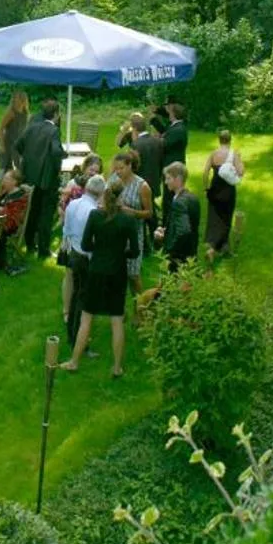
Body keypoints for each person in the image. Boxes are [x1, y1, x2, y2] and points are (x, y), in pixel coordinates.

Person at [65, 191, 138, 377]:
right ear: (121, 198)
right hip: (117, 272)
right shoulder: (128, 220)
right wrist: (121, 253)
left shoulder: (95, 216)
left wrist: (101, 249)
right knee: (117, 320)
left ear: (105, 198)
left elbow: (86, 244)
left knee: (86, 318)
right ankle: (117, 367)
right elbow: (135, 251)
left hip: (96, 270)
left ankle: (74, 362)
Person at [17, 98, 64, 259]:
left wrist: (30, 160)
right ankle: (43, 250)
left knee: (33, 211)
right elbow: (56, 152)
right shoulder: (53, 131)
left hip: (31, 177)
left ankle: (30, 244)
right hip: (47, 180)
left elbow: (19, 145)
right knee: (46, 214)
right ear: (56, 115)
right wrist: (58, 165)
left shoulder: (32, 127)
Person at [61, 176, 104, 344]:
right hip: (85, 258)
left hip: (73, 253)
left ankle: (72, 331)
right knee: (83, 299)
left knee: (75, 295)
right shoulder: (94, 212)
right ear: (100, 193)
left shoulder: (74, 203)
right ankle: (78, 337)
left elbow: (67, 229)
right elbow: (93, 241)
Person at [111, 150, 155, 294]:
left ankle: (140, 309)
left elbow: (149, 213)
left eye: (121, 168)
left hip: (134, 235)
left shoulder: (142, 186)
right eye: (115, 168)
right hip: (116, 233)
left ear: (130, 166)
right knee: (116, 273)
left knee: (133, 275)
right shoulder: (113, 180)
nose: (118, 171)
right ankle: (118, 311)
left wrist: (133, 212)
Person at [205, 129, 244, 260]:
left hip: (215, 188)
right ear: (230, 140)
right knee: (226, 218)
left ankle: (216, 246)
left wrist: (206, 188)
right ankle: (219, 247)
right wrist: (240, 159)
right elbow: (241, 172)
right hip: (228, 190)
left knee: (214, 218)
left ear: (219, 139)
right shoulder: (233, 154)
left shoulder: (213, 154)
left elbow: (205, 172)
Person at [156, 162, 201, 274]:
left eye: (168, 178)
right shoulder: (193, 198)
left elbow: (184, 231)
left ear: (178, 179)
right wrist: (168, 231)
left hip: (179, 257)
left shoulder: (179, 203)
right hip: (191, 252)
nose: (165, 182)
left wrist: (168, 245)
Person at [0, 168, 31, 273]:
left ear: (14, 182)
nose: (3, 180)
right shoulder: (6, 192)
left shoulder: (19, 197)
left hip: (10, 225)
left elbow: (14, 217)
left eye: (6, 178)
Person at [0, 89, 29, 171]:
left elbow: (23, 129)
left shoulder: (25, 112)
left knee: (20, 166)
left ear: (23, 100)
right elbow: (0, 129)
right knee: (6, 168)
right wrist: (1, 146)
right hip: (8, 143)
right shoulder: (11, 113)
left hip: (18, 143)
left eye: (17, 99)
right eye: (14, 99)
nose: (14, 101)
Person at [161, 99, 189, 171]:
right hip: (172, 164)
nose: (169, 114)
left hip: (173, 166)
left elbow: (164, 144)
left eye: (170, 112)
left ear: (173, 114)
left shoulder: (177, 129)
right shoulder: (175, 126)